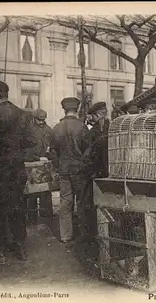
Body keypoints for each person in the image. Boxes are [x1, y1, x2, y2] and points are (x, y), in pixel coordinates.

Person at [0, 80, 38, 264]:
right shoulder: (23, 114)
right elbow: (32, 141)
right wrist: (16, 148)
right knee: (17, 207)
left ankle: (0, 252)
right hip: (17, 169)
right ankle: (20, 247)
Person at [51, 97, 94, 243]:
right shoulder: (81, 127)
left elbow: (53, 152)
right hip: (79, 170)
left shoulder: (56, 128)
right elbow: (88, 150)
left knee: (65, 202)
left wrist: (58, 166)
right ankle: (83, 235)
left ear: (64, 109)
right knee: (81, 202)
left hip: (63, 170)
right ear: (77, 109)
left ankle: (66, 235)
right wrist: (83, 165)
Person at [24, 108, 54, 224]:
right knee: (31, 192)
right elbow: (26, 150)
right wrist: (36, 157)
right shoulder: (28, 130)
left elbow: (52, 145)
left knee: (46, 190)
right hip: (31, 163)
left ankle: (47, 216)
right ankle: (32, 216)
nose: (41, 122)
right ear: (34, 118)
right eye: (39, 120)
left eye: (43, 120)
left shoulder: (48, 130)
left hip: (45, 164)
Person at [88, 101, 110, 179]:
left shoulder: (93, 131)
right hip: (111, 170)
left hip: (98, 172)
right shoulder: (113, 126)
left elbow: (90, 152)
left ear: (96, 115)